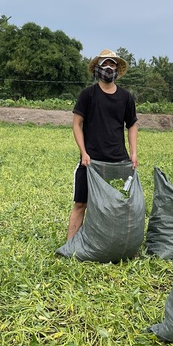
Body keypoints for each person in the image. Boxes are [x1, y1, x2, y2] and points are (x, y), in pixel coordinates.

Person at [65, 49, 139, 239]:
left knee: (118, 204)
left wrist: (133, 153)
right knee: (81, 203)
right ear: (98, 69)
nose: (108, 68)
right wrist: (83, 152)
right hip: (90, 160)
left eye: (112, 64)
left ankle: (116, 243)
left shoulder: (125, 97)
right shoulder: (88, 95)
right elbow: (77, 124)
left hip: (118, 160)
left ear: (117, 69)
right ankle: (70, 244)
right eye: (104, 64)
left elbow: (132, 125)